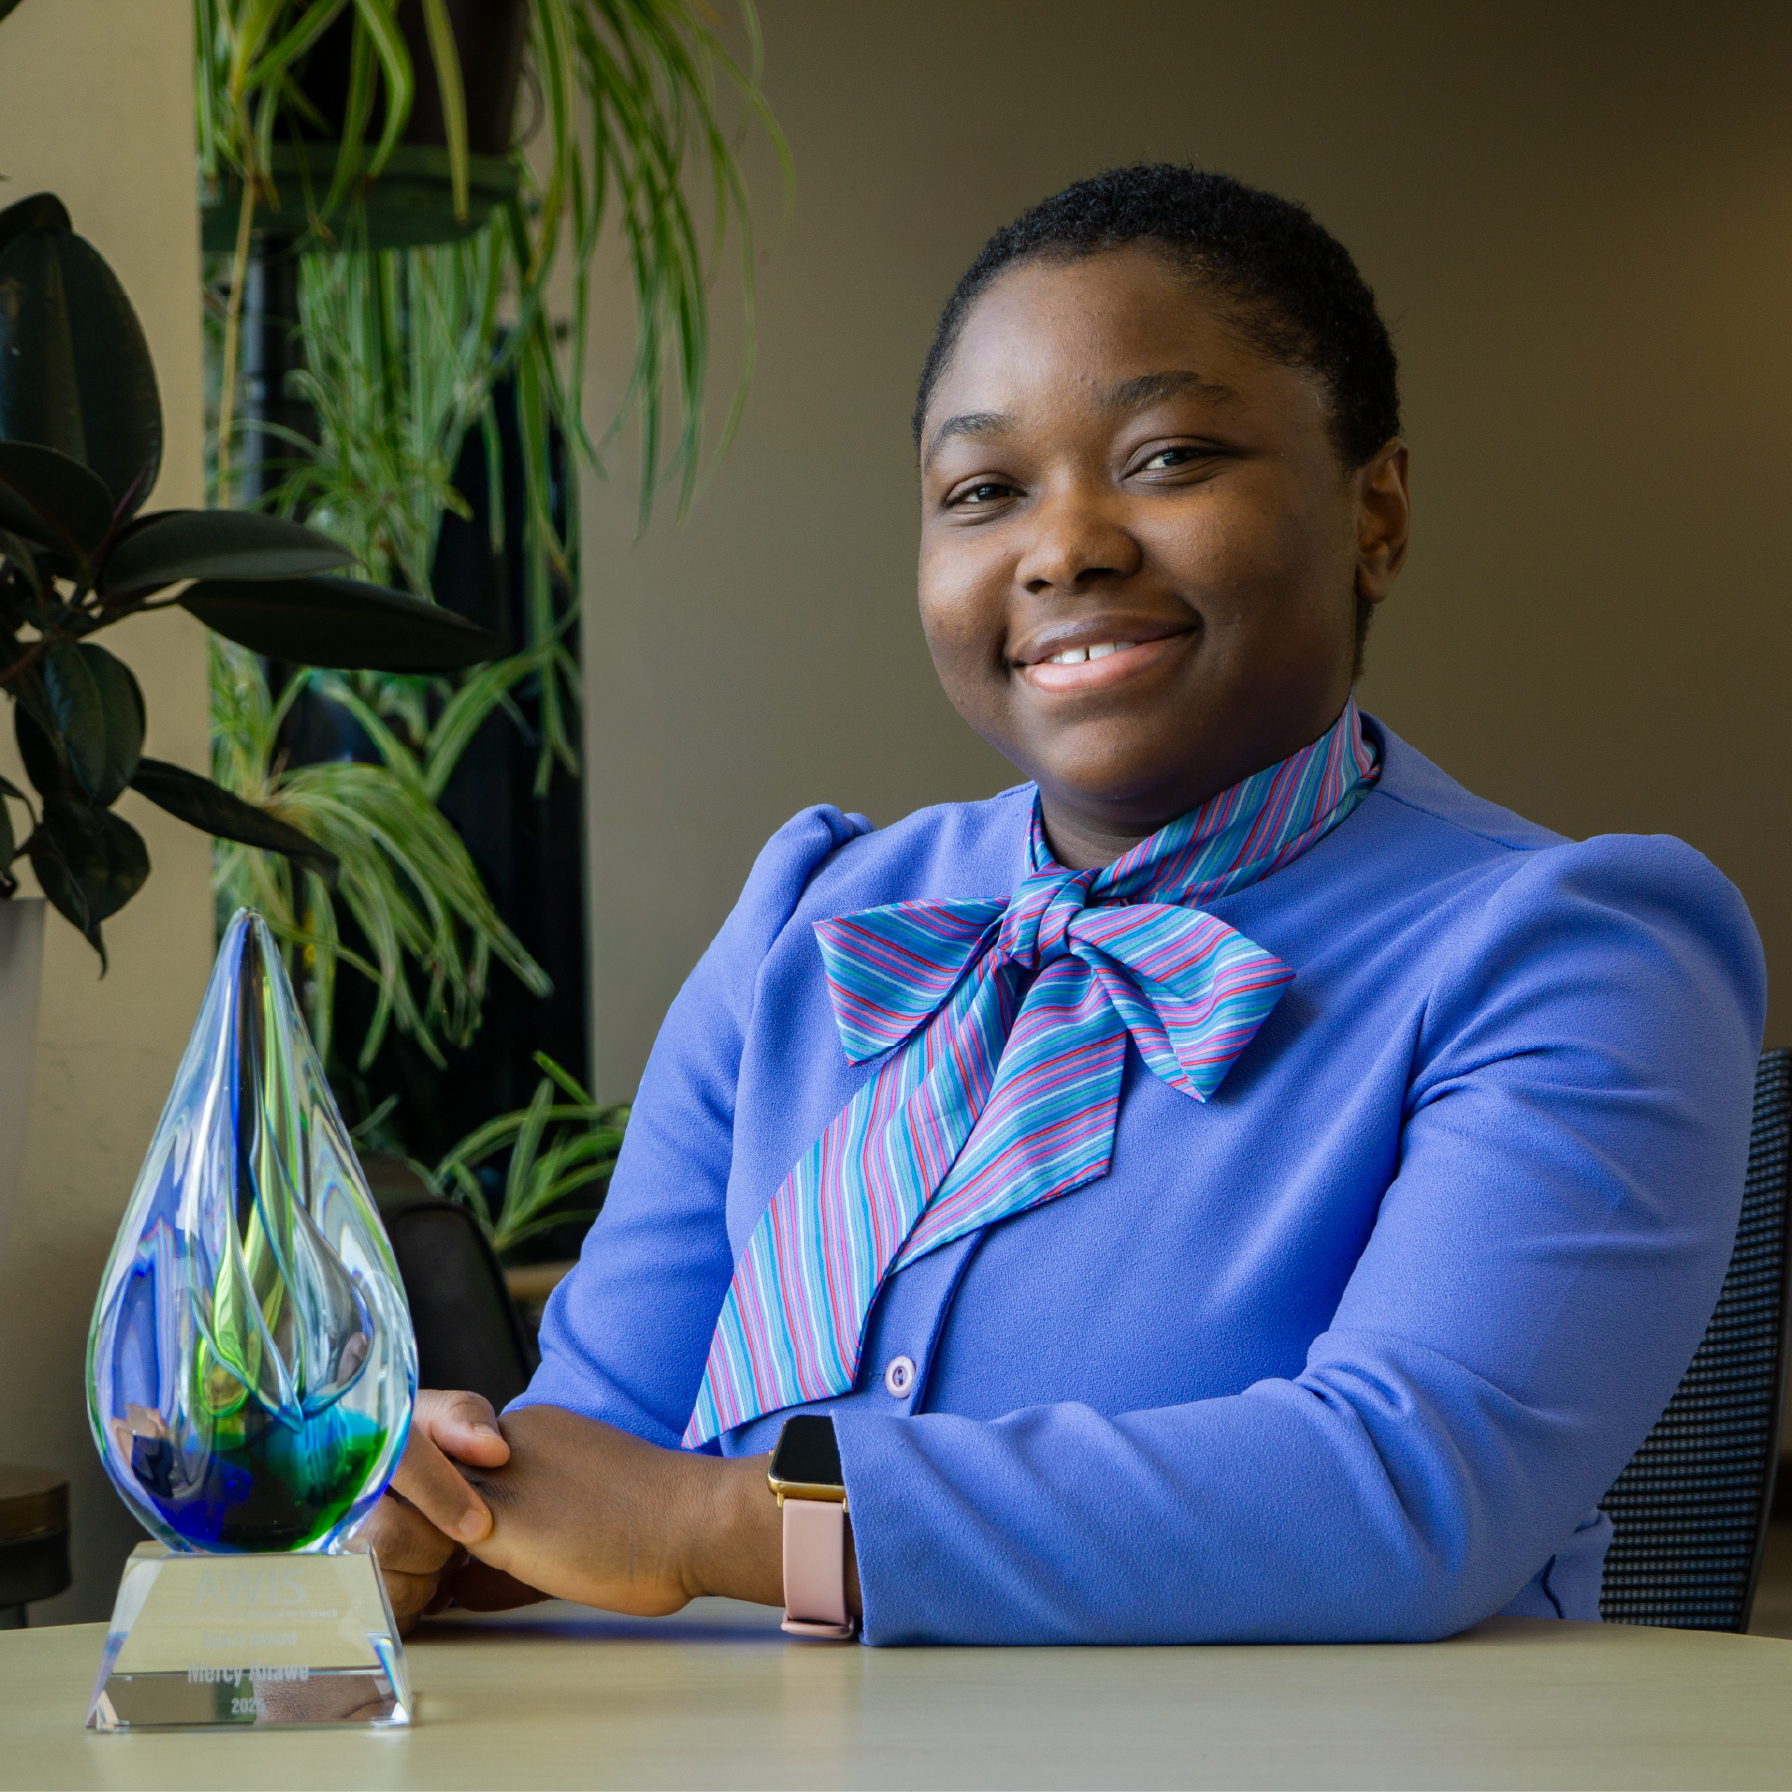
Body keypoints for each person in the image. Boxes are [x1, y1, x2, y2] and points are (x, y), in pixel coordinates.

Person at [363, 164, 1765, 1646]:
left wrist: (731, 1526)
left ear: (1378, 512)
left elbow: (1407, 1494)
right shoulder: (812, 920)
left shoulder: (1579, 951)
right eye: (984, 491)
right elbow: (602, 1439)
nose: (1067, 543)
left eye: (1168, 459)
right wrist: (464, 1519)